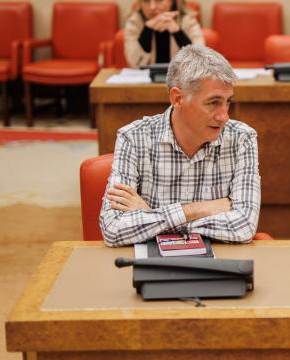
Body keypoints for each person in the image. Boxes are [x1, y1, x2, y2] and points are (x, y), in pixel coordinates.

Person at [100, 45, 260, 247]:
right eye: (213, 102)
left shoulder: (242, 138)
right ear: (178, 98)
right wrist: (197, 210)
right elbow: (113, 229)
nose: (224, 116)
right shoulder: (133, 137)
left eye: (227, 102)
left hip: (218, 266)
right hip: (151, 267)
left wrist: (149, 214)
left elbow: (244, 227)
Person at [124, 0, 205, 68]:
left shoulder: (187, 20)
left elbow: (199, 60)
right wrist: (147, 30)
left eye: (159, 0)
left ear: (172, 1)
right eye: (146, 1)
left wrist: (177, 33)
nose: (152, 7)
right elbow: (134, 63)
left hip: (180, 82)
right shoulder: (135, 22)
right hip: (146, 84)